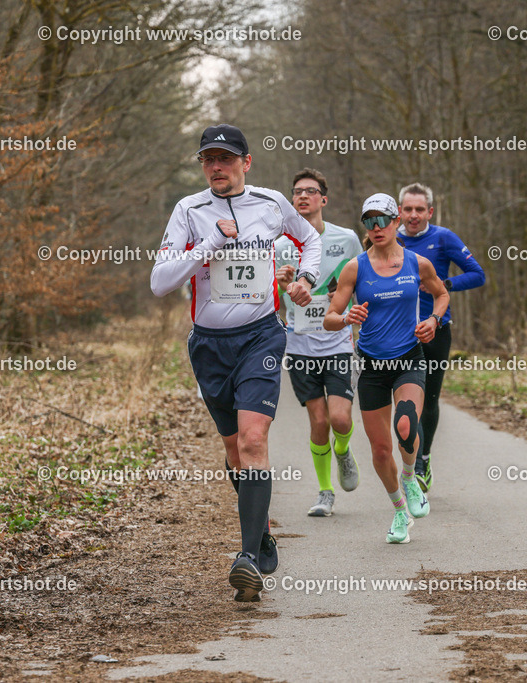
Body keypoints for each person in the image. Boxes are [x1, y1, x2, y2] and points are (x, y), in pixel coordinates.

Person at [150, 124, 322, 602]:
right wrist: (209, 246)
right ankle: (260, 531)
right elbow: (159, 282)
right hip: (209, 345)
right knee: (232, 449)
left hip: (260, 335)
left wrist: (306, 277)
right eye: (208, 159)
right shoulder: (189, 210)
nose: (216, 167)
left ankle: (247, 558)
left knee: (252, 438)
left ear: (247, 163)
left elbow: (311, 240)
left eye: (226, 158)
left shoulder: (270, 203)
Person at [323, 193, 449, 543]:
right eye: (369, 221)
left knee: (406, 425)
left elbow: (442, 294)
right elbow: (329, 318)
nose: (376, 228)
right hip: (372, 367)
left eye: (383, 220)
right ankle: (398, 512)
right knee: (380, 451)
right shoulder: (355, 267)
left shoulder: (417, 263)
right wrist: (347, 317)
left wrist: (434, 321)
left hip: (409, 359)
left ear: (396, 223)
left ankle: (410, 477)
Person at [275, 168, 363, 517]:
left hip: (338, 341)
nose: (303, 196)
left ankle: (343, 450)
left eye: (311, 191)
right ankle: (325, 491)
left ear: (323, 200)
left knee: (340, 419)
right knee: (319, 420)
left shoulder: (348, 239)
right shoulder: (280, 245)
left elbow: (361, 280)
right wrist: (282, 283)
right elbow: (272, 297)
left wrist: (359, 317)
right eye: (297, 191)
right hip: (299, 345)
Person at [397, 183, 485, 492]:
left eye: (420, 209)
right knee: (408, 402)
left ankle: (423, 458)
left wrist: (443, 283)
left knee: (429, 398)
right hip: (399, 333)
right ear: (399, 212)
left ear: (430, 212)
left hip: (437, 329)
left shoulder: (443, 238)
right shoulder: (387, 239)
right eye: (408, 209)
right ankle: (416, 460)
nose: (413, 215)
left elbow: (477, 274)